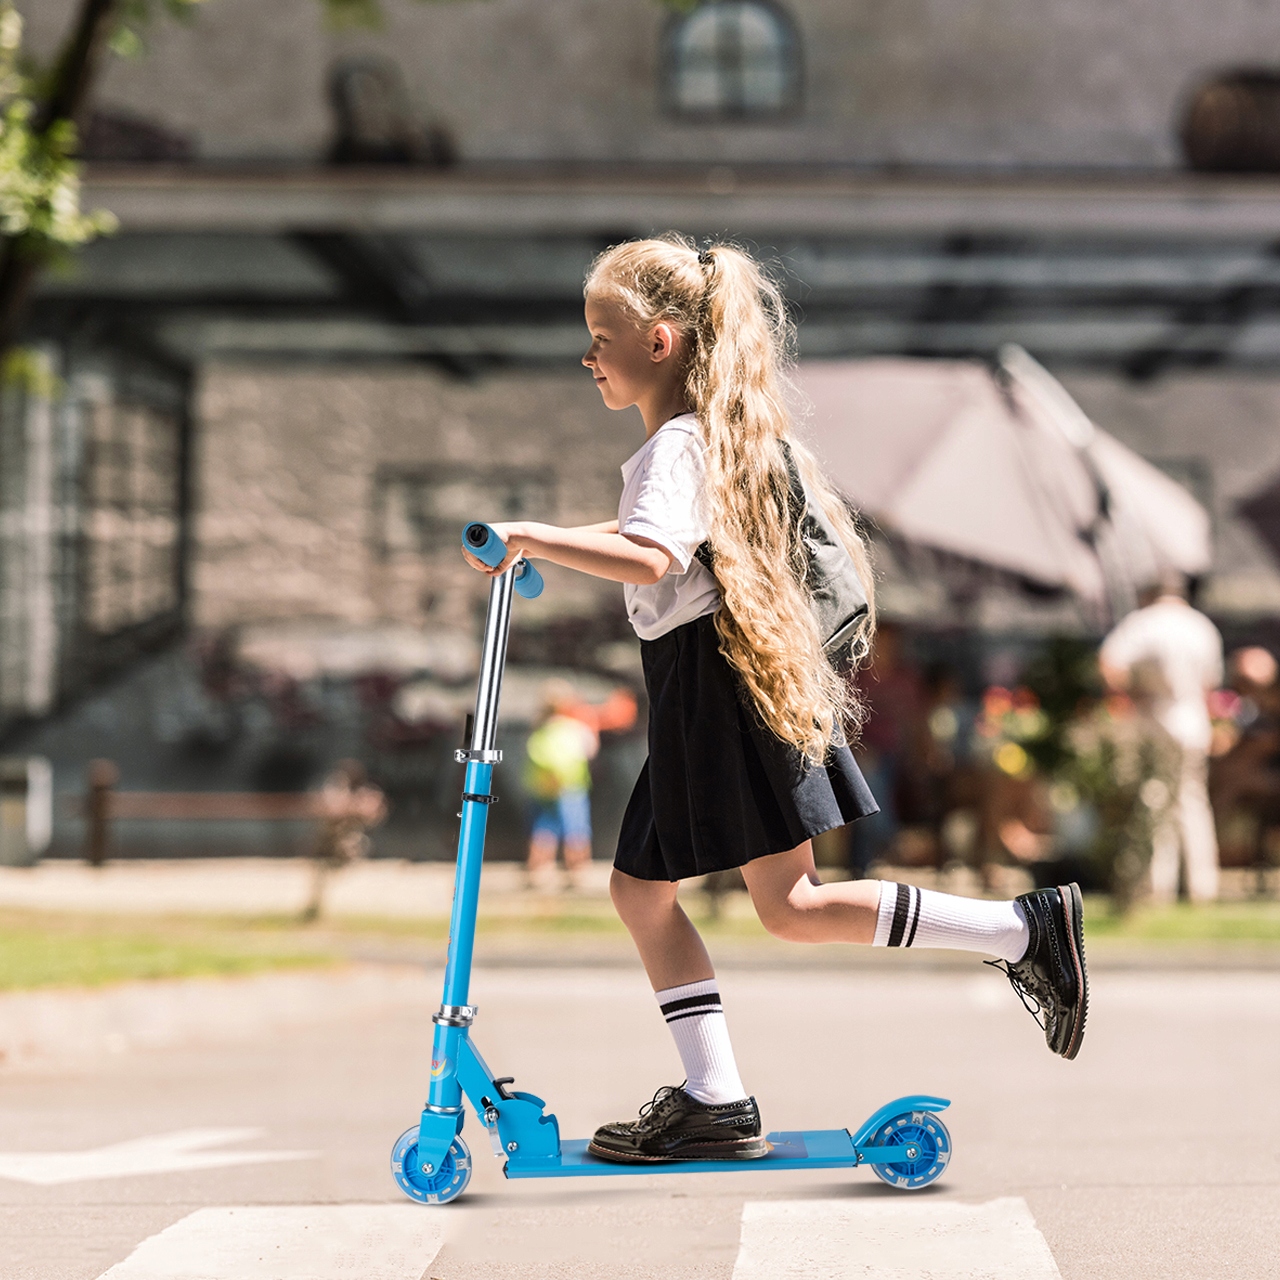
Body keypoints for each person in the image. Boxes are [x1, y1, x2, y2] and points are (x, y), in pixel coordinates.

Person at [463, 236, 1089, 1165]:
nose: (588, 355)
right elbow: (650, 533)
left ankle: (1020, 927)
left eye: (602, 336)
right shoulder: (699, 437)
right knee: (644, 892)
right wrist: (541, 543)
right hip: (701, 687)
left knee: (789, 904)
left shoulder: (681, 440)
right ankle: (715, 1097)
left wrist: (532, 534)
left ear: (662, 341)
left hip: (716, 694)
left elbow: (654, 555)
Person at [1099, 573, 1224, 903]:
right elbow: (1210, 683)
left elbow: (1109, 665)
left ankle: (1157, 886)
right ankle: (1202, 886)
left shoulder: (1143, 623)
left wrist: (1135, 692)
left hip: (1158, 717)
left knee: (1155, 798)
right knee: (1193, 800)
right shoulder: (1202, 626)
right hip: (1193, 719)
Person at [523, 679, 636, 890]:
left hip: (543, 788)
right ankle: (577, 873)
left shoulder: (538, 728)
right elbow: (589, 749)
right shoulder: (574, 727)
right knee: (576, 832)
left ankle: (537, 872)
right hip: (570, 787)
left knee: (543, 831)